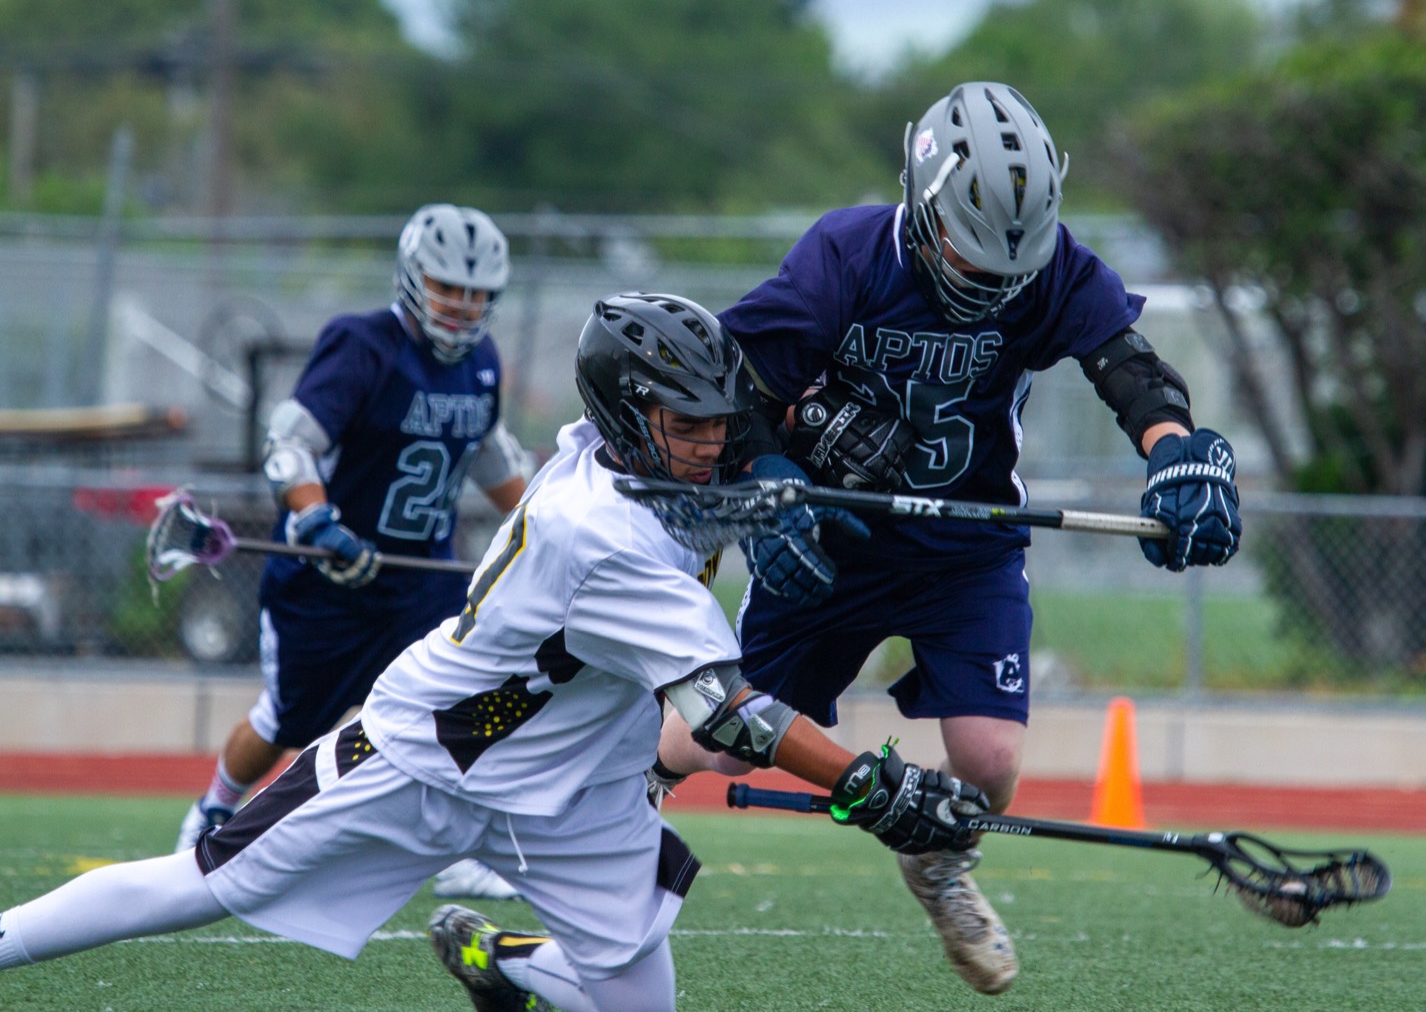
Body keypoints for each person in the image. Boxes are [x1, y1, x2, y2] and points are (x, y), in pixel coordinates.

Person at [0, 292, 987, 1012]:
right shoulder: (601, 536)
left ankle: (507, 961)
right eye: (688, 425)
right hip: (429, 752)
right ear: (630, 416)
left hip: (571, 787)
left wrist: (764, 472)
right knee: (203, 886)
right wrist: (871, 786)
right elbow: (730, 713)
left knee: (642, 1004)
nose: (711, 440)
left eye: (721, 421)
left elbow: (688, 492)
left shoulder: (601, 451)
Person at [652, 81, 1242, 996]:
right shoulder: (843, 259)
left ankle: (937, 863)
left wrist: (1176, 453)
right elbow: (740, 392)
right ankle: (622, 774)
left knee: (990, 762)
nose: (994, 286)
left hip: (966, 549)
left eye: (1012, 269)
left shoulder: (1047, 270)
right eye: (973, 263)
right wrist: (766, 491)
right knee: (727, 742)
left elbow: (1125, 366)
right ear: (921, 208)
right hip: (829, 538)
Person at [174, 202, 532, 901]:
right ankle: (213, 808)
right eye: (448, 288)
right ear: (412, 278)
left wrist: (542, 520)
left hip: (418, 580)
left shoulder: (482, 363)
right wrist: (318, 522)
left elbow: (488, 454)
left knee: (456, 710)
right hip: (329, 578)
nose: (462, 307)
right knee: (289, 720)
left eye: (478, 293)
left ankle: (449, 844)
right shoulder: (364, 344)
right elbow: (291, 442)